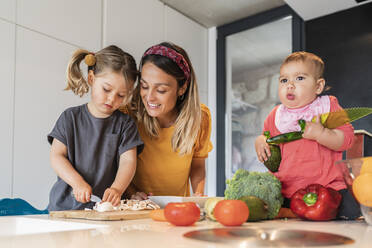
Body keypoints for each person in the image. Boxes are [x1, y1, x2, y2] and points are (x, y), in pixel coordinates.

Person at [255, 51, 361, 220]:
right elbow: (267, 139)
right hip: (288, 190)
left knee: (352, 210)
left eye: (299, 78)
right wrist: (260, 141)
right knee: (266, 206)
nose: (290, 85)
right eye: (284, 80)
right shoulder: (276, 114)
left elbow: (347, 140)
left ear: (318, 86)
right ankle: (291, 212)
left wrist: (322, 134)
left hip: (327, 186)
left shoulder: (328, 106)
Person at [47, 45, 144, 211]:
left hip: (102, 211)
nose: (112, 99)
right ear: (91, 78)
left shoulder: (126, 124)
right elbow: (57, 156)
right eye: (106, 89)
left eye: (121, 95)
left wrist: (117, 189)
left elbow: (128, 161)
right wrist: (77, 183)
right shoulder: (70, 118)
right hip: (63, 209)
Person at [122, 42, 213, 200]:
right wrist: (132, 192)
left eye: (161, 90)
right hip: (137, 207)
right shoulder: (128, 114)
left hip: (176, 209)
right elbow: (115, 165)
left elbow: (197, 165)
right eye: (144, 86)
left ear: (182, 88)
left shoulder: (200, 117)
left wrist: (198, 194)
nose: (149, 97)